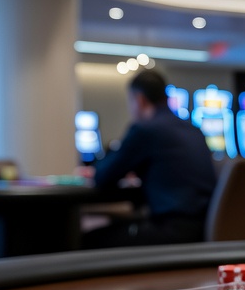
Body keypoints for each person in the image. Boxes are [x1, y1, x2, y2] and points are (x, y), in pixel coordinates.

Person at [82, 70, 218, 247]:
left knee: (87, 239)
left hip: (172, 232)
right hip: (205, 229)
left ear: (139, 100)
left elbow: (102, 176)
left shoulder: (145, 130)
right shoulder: (194, 130)